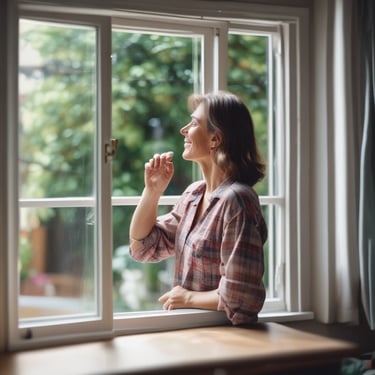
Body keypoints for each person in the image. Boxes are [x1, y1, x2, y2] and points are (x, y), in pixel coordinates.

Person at [129, 91, 267, 325]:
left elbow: (242, 298)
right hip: (191, 332)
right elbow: (144, 248)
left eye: (193, 123)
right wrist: (151, 192)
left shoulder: (237, 201)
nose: (184, 130)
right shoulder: (194, 194)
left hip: (226, 339)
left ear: (216, 139)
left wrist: (188, 297)